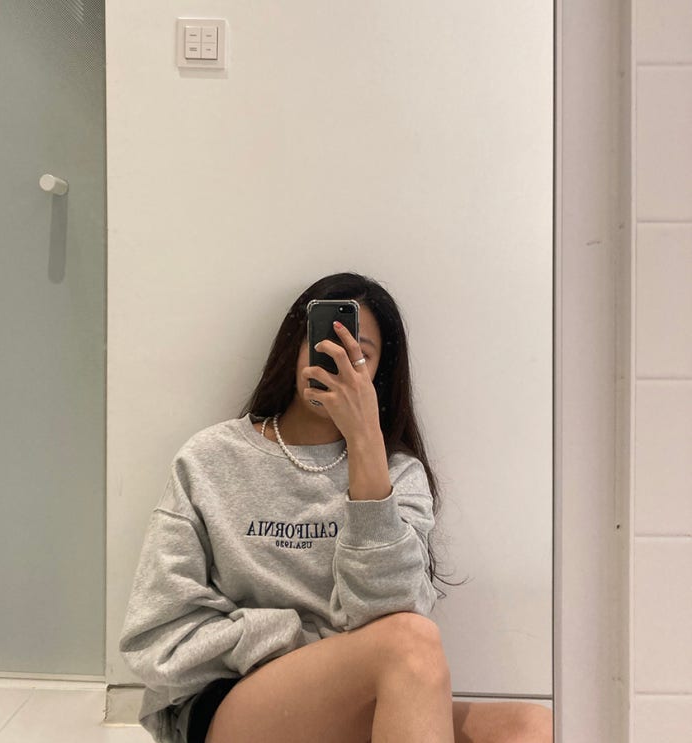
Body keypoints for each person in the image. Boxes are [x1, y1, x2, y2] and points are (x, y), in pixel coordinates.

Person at [119, 272, 553, 743]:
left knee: (535, 729)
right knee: (409, 643)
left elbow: (394, 609)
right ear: (295, 347)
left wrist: (366, 445)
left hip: (350, 699)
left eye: (358, 354)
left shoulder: (397, 474)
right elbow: (157, 632)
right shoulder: (211, 459)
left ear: (378, 373)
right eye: (325, 344)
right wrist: (297, 643)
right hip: (230, 703)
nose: (337, 362)